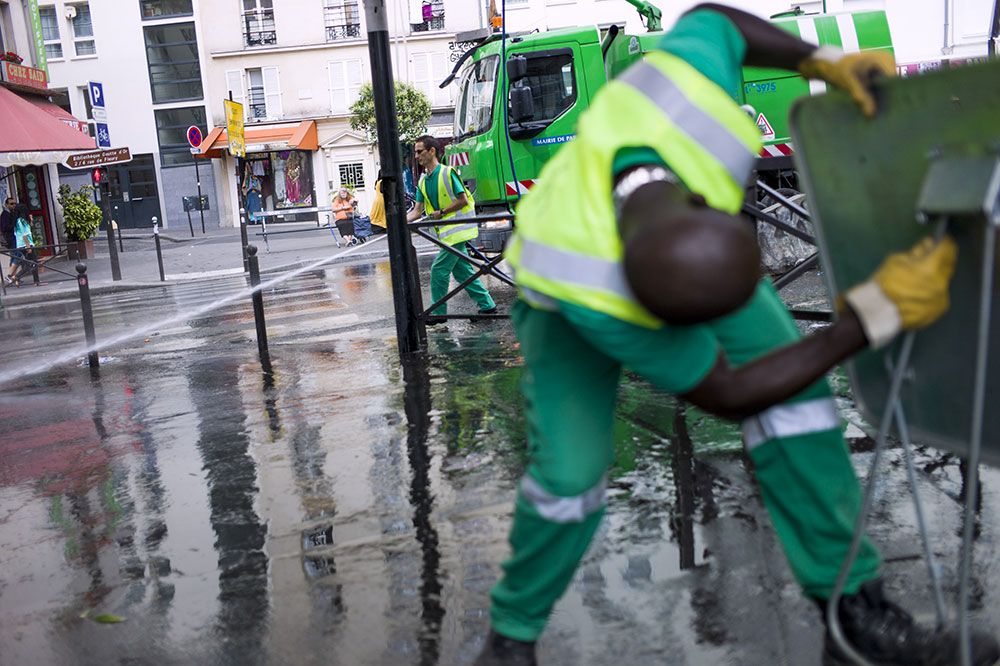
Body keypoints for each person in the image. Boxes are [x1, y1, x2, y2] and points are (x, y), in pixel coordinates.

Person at [476, 5, 1000, 666]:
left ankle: (853, 616)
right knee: (570, 477)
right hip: (561, 297)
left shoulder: (681, 90)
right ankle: (510, 639)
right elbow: (730, 392)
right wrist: (871, 318)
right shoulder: (606, 295)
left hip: (672, 250)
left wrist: (822, 60)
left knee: (801, 403)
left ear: (707, 204)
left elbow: (715, 20)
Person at [406, 135, 496, 325]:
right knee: (463, 273)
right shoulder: (423, 182)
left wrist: (442, 212)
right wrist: (396, 222)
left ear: (432, 151)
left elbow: (462, 200)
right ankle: (488, 307)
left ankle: (438, 312)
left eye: (419, 151)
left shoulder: (448, 173)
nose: (416, 156)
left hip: (457, 232)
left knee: (439, 270)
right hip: (446, 236)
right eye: (415, 152)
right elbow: (417, 211)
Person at [6, 203, 37, 286]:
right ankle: (15, 277)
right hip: (25, 244)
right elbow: (25, 234)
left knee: (30, 262)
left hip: (20, 244)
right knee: (30, 263)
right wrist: (28, 246)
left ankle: (35, 281)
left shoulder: (17, 221)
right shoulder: (22, 221)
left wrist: (30, 221)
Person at [369, 170, 387, 236]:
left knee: (376, 214)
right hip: (381, 200)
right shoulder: (383, 181)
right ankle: (383, 226)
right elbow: (383, 191)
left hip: (376, 199)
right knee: (382, 215)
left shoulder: (377, 181)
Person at [1, 198, 16, 278]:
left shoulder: (11, 213)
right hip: (9, 238)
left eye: (14, 203)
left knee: (15, 257)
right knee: (16, 256)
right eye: (11, 204)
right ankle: (11, 276)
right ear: (7, 205)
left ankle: (13, 277)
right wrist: (14, 227)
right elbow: (5, 227)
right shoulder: (5, 215)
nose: (13, 205)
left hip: (13, 237)